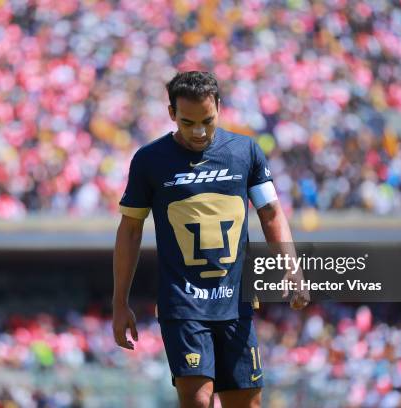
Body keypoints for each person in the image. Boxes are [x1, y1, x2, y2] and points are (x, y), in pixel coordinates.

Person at [112, 71, 309, 408]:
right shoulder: (149, 160)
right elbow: (130, 230)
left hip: (236, 301)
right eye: (188, 122)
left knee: (246, 402)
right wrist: (119, 302)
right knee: (198, 400)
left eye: (208, 120)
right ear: (172, 114)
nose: (199, 131)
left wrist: (292, 270)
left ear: (219, 106)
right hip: (182, 304)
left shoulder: (245, 151)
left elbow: (272, 213)